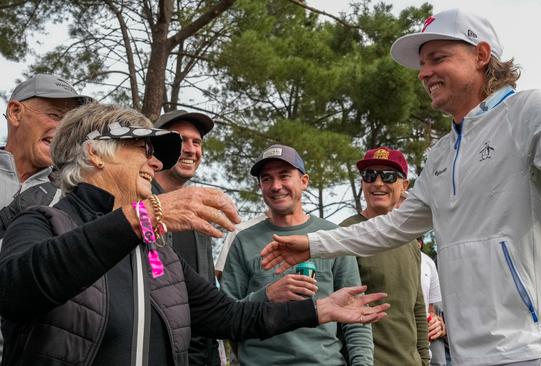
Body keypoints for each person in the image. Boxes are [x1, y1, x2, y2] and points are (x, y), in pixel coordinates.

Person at [260, 8, 541, 366]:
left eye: (438, 58)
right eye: (421, 64)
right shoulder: (441, 154)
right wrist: (313, 244)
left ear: (481, 55)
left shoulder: (528, 110)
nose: (423, 73)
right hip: (470, 357)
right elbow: (392, 227)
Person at [0, 103, 389, 366]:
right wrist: (143, 216)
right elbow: (15, 289)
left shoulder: (156, 249)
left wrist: (319, 310)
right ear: (96, 153)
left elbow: (230, 316)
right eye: (142, 147)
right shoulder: (42, 221)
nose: (154, 161)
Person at [221, 144, 374, 365]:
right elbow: (226, 317)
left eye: (284, 176)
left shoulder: (333, 237)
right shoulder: (243, 241)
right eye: (266, 179)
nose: (275, 186)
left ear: (304, 182)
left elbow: (355, 315)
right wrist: (267, 295)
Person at [0, 73, 90, 361]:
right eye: (54, 115)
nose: (62, 129)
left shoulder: (73, 197)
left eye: (69, 122)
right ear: (15, 112)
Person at [339, 146, 430, 365]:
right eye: (370, 175)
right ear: (362, 183)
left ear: (404, 185)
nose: (378, 182)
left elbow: (417, 308)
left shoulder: (409, 239)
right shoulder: (343, 235)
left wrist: (424, 360)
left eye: (388, 176)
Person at [151, 109, 219, 366]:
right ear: (156, 146)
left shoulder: (200, 214)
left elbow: (207, 293)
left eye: (197, 142)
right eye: (180, 139)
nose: (190, 149)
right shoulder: (137, 205)